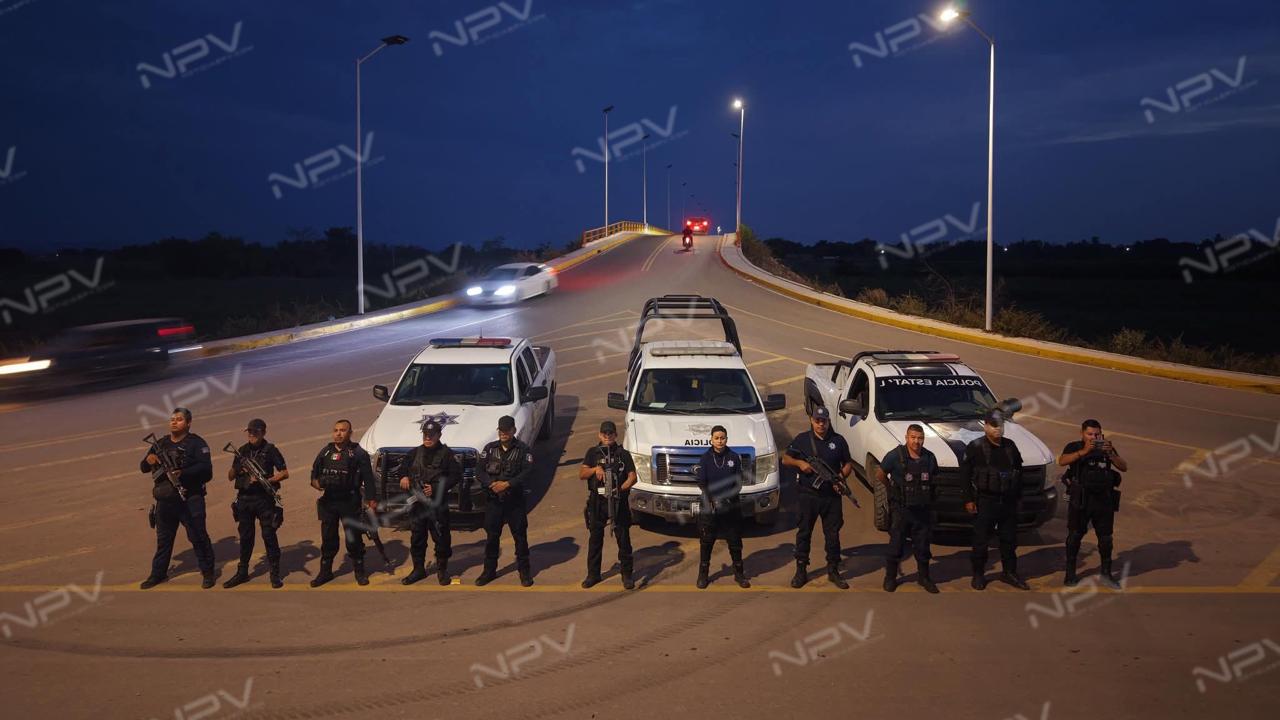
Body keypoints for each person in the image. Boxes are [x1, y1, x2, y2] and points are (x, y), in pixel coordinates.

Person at [140, 407, 215, 589]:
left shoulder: (196, 444)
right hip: (166, 501)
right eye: (172, 419)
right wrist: (148, 460)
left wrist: (184, 473)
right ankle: (157, 573)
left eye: (179, 419)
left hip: (190, 499)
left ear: (188, 423)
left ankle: (208, 572)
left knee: (198, 536)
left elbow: (207, 471)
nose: (174, 421)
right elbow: (143, 467)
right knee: (164, 540)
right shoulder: (161, 444)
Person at [782, 406, 854, 589]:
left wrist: (840, 477)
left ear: (829, 421)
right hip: (808, 496)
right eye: (817, 420)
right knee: (804, 533)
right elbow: (785, 459)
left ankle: (833, 570)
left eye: (824, 421)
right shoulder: (802, 440)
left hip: (831, 497)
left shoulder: (838, 441)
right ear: (811, 421)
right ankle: (801, 570)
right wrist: (800, 463)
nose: (821, 424)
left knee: (832, 535)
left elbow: (848, 464)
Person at [962, 409, 1028, 590]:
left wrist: (1019, 499)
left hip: (1007, 501)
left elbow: (1019, 473)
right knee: (981, 541)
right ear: (986, 426)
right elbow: (965, 475)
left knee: (1009, 540)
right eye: (994, 425)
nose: (998, 429)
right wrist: (968, 499)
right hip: (985, 501)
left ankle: (1009, 573)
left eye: (1001, 425)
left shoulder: (1010, 446)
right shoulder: (975, 447)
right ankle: (978, 574)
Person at [1058, 419, 1128, 587]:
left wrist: (1111, 454)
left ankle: (1106, 574)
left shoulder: (1106, 448)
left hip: (1103, 500)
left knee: (1106, 539)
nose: (1093, 437)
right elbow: (1062, 461)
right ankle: (1070, 574)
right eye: (1090, 434)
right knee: (1074, 537)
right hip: (1081, 500)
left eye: (1096, 434)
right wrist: (1083, 451)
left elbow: (1123, 467)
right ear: (1082, 434)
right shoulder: (1075, 446)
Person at [309, 419, 376, 588]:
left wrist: (371, 500)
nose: (338, 433)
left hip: (350, 501)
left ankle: (359, 572)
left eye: (343, 430)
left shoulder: (358, 453)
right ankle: (325, 572)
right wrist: (318, 484)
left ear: (350, 433)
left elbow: (368, 479)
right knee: (328, 538)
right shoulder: (325, 452)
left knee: (353, 539)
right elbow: (314, 476)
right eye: (336, 430)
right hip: (329, 502)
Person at [223, 418, 289, 589]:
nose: (252, 434)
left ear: (263, 432)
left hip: (264, 500)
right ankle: (242, 572)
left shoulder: (270, 450)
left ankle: (275, 573)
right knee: (246, 537)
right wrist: (239, 469)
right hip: (244, 500)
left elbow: (284, 472)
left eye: (255, 431)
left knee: (269, 536)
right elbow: (230, 476)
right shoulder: (242, 451)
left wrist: (266, 480)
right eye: (250, 431)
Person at [395, 418, 462, 586]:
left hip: (437, 505)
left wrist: (436, 487)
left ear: (439, 435)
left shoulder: (447, 454)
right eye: (425, 434)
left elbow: (455, 476)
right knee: (417, 537)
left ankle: (442, 570)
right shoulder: (414, 453)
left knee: (441, 537)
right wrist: (403, 476)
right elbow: (403, 467)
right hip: (418, 505)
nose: (428, 438)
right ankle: (418, 569)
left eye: (431, 435)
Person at [876, 424, 939, 593]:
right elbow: (880, 473)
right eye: (913, 437)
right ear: (906, 437)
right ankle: (890, 578)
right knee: (896, 545)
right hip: (902, 510)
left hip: (922, 510)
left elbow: (934, 479)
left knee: (923, 546)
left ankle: (924, 577)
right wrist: (890, 490)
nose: (916, 441)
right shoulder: (895, 456)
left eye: (920, 438)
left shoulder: (930, 457)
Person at [475, 415, 534, 587]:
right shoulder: (490, 449)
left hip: (514, 501)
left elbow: (527, 472)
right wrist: (492, 484)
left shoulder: (523, 450)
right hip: (494, 501)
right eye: (501, 430)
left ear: (514, 431)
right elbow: (479, 470)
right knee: (492, 537)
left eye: (507, 431)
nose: (503, 434)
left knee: (520, 537)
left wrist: (507, 484)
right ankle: (489, 571)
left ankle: (524, 571)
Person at [580, 420, 637, 589]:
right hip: (598, 502)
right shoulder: (593, 453)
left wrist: (620, 489)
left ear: (615, 435)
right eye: (604, 434)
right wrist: (595, 470)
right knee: (595, 539)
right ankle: (593, 575)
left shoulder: (623, 454)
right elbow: (582, 474)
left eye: (610, 433)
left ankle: (627, 574)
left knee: (623, 539)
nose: (607, 436)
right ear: (599, 435)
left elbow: (632, 477)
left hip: (618, 502)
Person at [691, 425, 750, 589]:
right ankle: (703, 574)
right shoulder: (706, 458)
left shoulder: (733, 457)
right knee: (707, 541)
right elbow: (702, 482)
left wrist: (727, 498)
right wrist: (712, 499)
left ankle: (739, 574)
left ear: (726, 439)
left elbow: (738, 483)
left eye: (722, 438)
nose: (719, 441)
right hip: (710, 506)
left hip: (731, 506)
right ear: (711, 439)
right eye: (716, 438)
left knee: (735, 541)